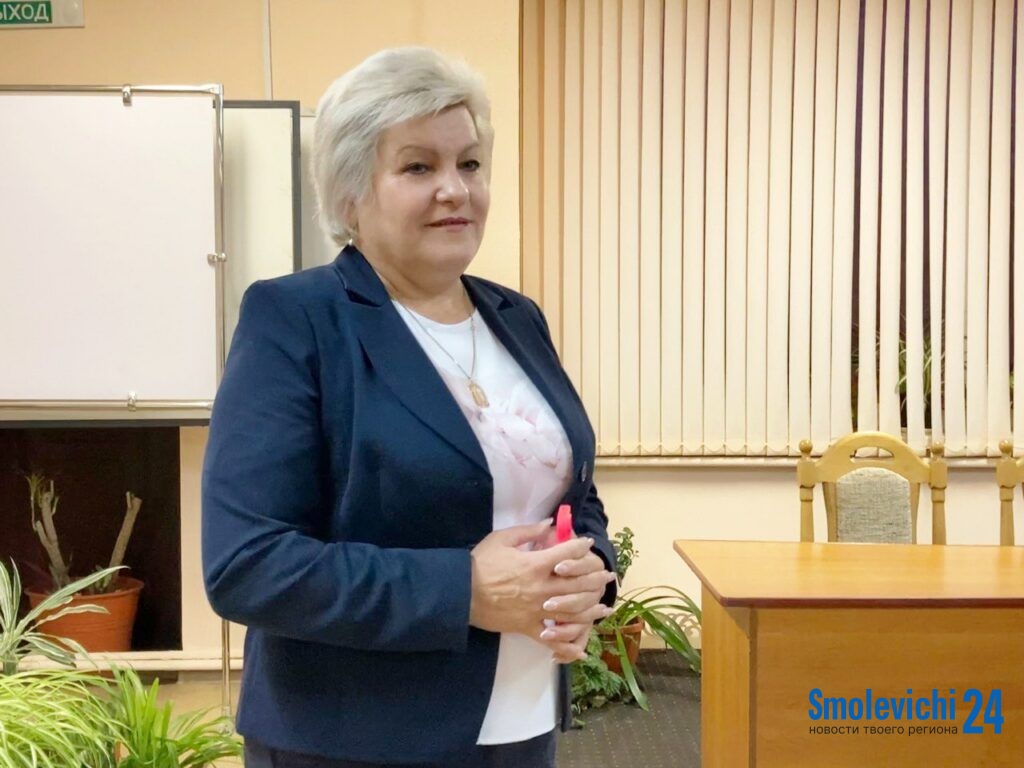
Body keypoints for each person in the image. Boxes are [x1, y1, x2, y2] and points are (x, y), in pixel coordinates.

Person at [202, 46, 616, 768]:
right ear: (350, 193)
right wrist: (464, 591)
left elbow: (572, 498)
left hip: (520, 723)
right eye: (419, 167)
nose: (455, 189)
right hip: (353, 738)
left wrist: (591, 573)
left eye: (470, 164)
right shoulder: (296, 320)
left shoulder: (517, 318)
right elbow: (248, 564)